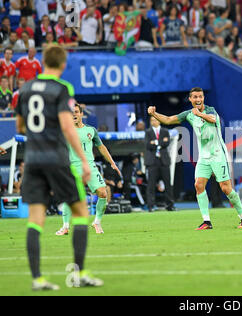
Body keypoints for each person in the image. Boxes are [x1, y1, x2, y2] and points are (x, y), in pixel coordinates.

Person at [15, 44, 102, 290]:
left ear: (43, 62)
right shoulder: (62, 89)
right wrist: (85, 161)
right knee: (81, 212)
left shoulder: (26, 88)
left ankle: (37, 279)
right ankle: (80, 274)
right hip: (56, 158)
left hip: (33, 160)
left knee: (35, 220)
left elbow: (20, 126)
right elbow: (67, 126)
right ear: (63, 65)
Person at [148, 87, 242, 230]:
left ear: (203, 98)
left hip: (217, 155)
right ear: (190, 99)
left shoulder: (210, 110)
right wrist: (155, 113)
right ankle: (206, 221)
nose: (198, 99)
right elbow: (169, 120)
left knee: (226, 189)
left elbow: (213, 119)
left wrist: (199, 114)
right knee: (198, 185)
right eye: (195, 97)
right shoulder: (189, 114)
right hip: (204, 157)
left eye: (200, 97)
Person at [56, 103, 121, 235]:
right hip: (73, 167)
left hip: (89, 166)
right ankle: (66, 226)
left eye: (76, 112)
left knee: (103, 193)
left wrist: (112, 162)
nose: (73, 114)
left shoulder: (91, 130)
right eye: (71, 112)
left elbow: (101, 147)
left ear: (81, 114)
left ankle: (96, 222)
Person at [144, 116, 176, 211]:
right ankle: (151, 206)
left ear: (159, 121)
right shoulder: (148, 132)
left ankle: (170, 205)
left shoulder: (165, 131)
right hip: (152, 161)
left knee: (168, 184)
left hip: (164, 161)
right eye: (151, 120)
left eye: (155, 120)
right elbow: (148, 145)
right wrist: (161, 142)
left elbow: (167, 143)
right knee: (151, 185)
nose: (153, 122)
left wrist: (155, 142)